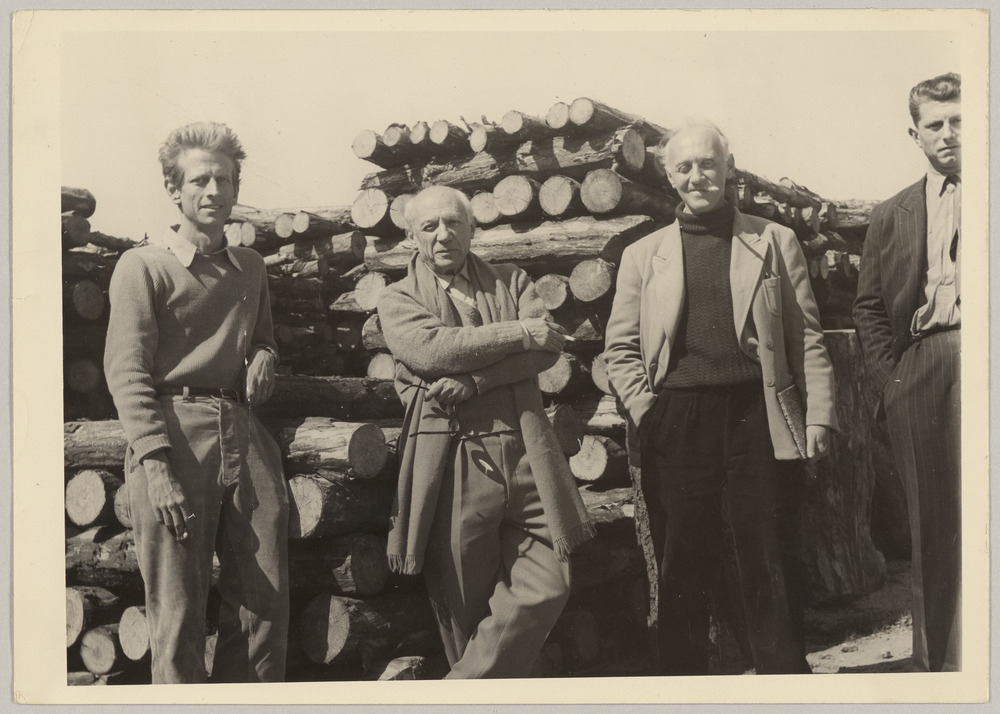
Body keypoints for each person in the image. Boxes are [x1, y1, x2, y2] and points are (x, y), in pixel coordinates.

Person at [603, 121, 838, 675]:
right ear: (668, 176)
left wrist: (819, 415)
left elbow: (806, 336)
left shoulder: (774, 240)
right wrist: (649, 412)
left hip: (759, 415)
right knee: (683, 561)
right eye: (684, 167)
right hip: (677, 420)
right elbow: (620, 348)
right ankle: (684, 688)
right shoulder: (643, 255)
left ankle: (785, 683)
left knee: (770, 553)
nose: (697, 176)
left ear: (729, 168)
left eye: (708, 163)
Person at [377, 185, 595, 679]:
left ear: (473, 228)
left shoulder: (511, 280)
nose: (443, 234)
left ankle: (456, 693)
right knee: (464, 606)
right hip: (453, 456)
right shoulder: (397, 298)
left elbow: (548, 348)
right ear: (412, 237)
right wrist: (518, 333)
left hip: (525, 446)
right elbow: (434, 349)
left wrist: (477, 381)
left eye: (454, 222)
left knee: (550, 581)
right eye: (429, 226)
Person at [104, 121, 288, 683]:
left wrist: (265, 354)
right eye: (200, 180)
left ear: (236, 188)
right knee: (178, 611)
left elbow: (263, 338)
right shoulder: (143, 266)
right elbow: (126, 370)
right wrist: (156, 467)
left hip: (243, 431)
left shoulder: (250, 268)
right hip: (174, 433)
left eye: (224, 180)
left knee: (264, 605)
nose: (213, 191)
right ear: (174, 189)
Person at [854, 72, 961, 672]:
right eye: (936, 124)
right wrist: (891, 385)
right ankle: (939, 669)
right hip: (923, 367)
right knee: (934, 524)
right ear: (915, 134)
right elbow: (869, 306)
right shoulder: (891, 213)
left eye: (961, 120)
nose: (949, 134)